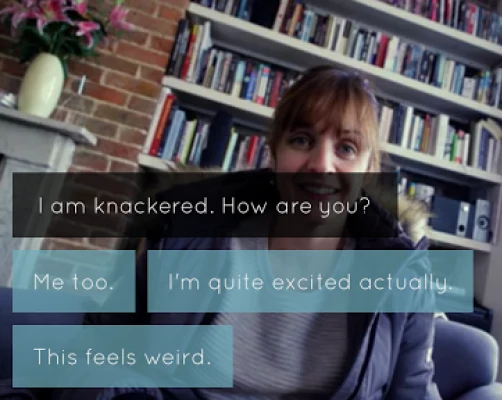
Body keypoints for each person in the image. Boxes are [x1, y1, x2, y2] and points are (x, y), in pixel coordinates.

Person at [50, 65, 441, 400]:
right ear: (274, 151)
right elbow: (99, 348)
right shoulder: (185, 232)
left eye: (347, 148)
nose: (321, 164)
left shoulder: (402, 276)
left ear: (369, 170)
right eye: (302, 140)